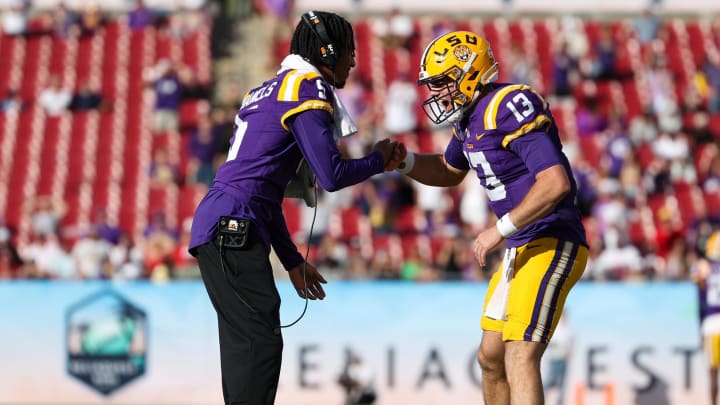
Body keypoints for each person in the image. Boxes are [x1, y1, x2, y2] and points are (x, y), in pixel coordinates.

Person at [188, 11, 403, 405]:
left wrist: (291, 260)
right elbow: (332, 175)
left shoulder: (268, 88)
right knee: (258, 341)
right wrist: (378, 160)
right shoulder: (308, 87)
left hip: (224, 219)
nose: (353, 62)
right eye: (349, 52)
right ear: (328, 51)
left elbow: (264, 196)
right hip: (233, 224)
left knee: (249, 341)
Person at [394, 30, 588, 404]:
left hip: (552, 239)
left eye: (440, 82)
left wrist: (500, 229)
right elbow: (450, 171)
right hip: (521, 246)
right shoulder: (468, 118)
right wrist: (404, 162)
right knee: (490, 358)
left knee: (519, 351)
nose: (435, 93)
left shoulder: (507, 104)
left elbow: (554, 182)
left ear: (468, 73)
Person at [694, 230, 720, 405]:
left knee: (712, 372)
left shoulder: (704, 268)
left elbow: (701, 301)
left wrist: (700, 329)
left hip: (711, 323)